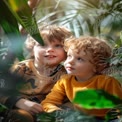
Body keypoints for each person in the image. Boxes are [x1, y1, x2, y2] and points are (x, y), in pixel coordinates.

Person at [0, 24, 73, 122]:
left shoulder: (67, 74)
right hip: (20, 110)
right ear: (32, 49)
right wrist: (19, 102)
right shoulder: (22, 68)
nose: (50, 49)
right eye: (43, 44)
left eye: (58, 45)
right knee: (23, 117)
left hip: (50, 113)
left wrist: (60, 110)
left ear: (66, 51)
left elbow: (71, 99)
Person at [41, 36, 122, 122]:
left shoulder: (107, 82)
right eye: (69, 56)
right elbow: (48, 102)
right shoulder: (64, 81)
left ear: (97, 66)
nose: (70, 61)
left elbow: (119, 107)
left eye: (79, 59)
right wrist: (57, 113)